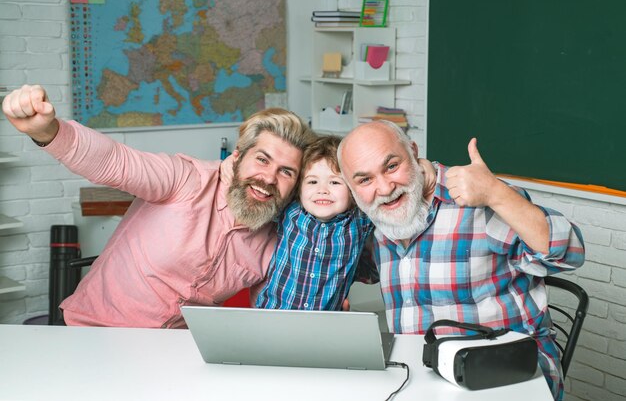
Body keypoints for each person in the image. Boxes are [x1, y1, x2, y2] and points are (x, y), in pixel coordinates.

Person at [2, 84, 316, 328]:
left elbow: (270, 311)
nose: (269, 178)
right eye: (262, 160)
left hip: (176, 353)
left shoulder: (279, 238)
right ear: (236, 158)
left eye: (286, 172)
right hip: (95, 331)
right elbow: (115, 160)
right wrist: (48, 132)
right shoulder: (185, 179)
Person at [337, 120, 585, 401]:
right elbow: (355, 269)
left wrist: (497, 193)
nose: (384, 187)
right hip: (421, 373)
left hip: (506, 369)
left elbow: (569, 253)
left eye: (392, 166)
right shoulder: (374, 219)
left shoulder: (475, 199)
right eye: (364, 179)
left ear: (414, 152)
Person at [255, 135, 374, 310]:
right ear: (299, 188)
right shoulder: (288, 210)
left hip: (325, 324)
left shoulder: (360, 220)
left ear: (352, 190)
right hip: (272, 315)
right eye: (312, 181)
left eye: (334, 182)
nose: (322, 190)